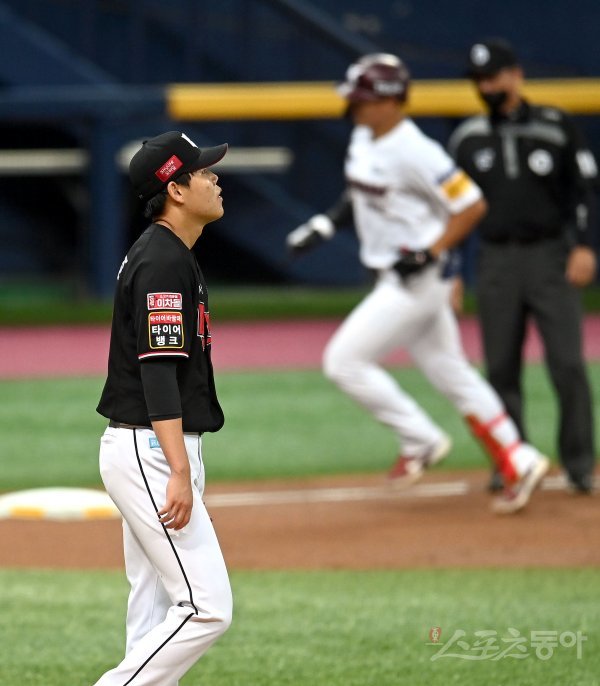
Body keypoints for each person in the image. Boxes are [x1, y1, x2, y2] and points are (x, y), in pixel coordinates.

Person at [286, 53, 549, 514]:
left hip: (417, 281)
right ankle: (518, 458)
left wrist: (431, 250)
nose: (353, 107)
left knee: (344, 362)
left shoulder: (416, 150)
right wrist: (325, 225)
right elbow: (359, 190)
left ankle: (421, 439)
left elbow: (471, 204)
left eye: (362, 99)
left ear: (390, 100)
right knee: (451, 371)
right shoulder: (364, 137)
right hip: (398, 275)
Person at [94, 131, 232, 685]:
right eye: (204, 173)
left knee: (154, 611)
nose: (215, 180)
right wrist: (177, 469)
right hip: (150, 450)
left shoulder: (169, 253)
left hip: (148, 447)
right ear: (175, 189)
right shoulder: (161, 262)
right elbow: (158, 370)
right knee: (206, 607)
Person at [448, 38, 597, 494]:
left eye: (494, 77)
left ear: (516, 75)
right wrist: (453, 270)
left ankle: (579, 464)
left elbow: (585, 190)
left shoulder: (556, 126)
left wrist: (585, 245)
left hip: (550, 255)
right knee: (500, 368)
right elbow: (451, 210)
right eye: (479, 80)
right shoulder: (467, 138)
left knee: (568, 364)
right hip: (496, 258)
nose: (487, 87)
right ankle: (512, 461)